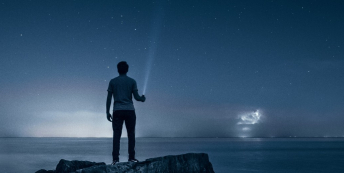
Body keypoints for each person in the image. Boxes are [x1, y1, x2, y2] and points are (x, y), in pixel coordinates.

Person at [106, 61, 146, 165]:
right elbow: (137, 97)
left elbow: (109, 98)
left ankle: (115, 159)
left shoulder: (113, 82)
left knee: (116, 135)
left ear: (118, 69)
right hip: (129, 111)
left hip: (117, 111)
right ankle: (131, 157)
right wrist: (142, 99)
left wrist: (107, 112)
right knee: (131, 134)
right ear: (127, 70)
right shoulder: (132, 81)